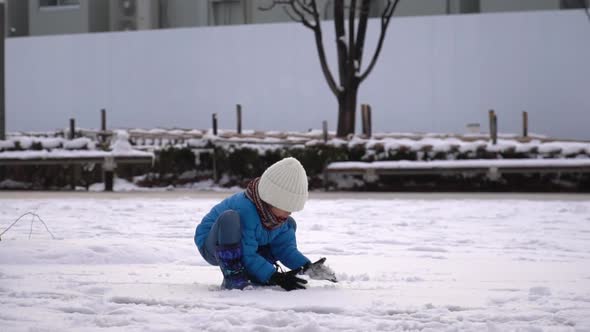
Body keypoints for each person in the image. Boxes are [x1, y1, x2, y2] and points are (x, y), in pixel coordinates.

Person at [194, 157, 336, 290]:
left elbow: (285, 249)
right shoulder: (245, 210)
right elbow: (246, 253)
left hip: (248, 246)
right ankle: (233, 274)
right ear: (273, 200)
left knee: (290, 224)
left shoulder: (279, 218)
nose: (290, 212)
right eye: (287, 207)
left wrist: (307, 267)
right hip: (214, 244)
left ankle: (257, 272)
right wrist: (274, 277)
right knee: (230, 219)